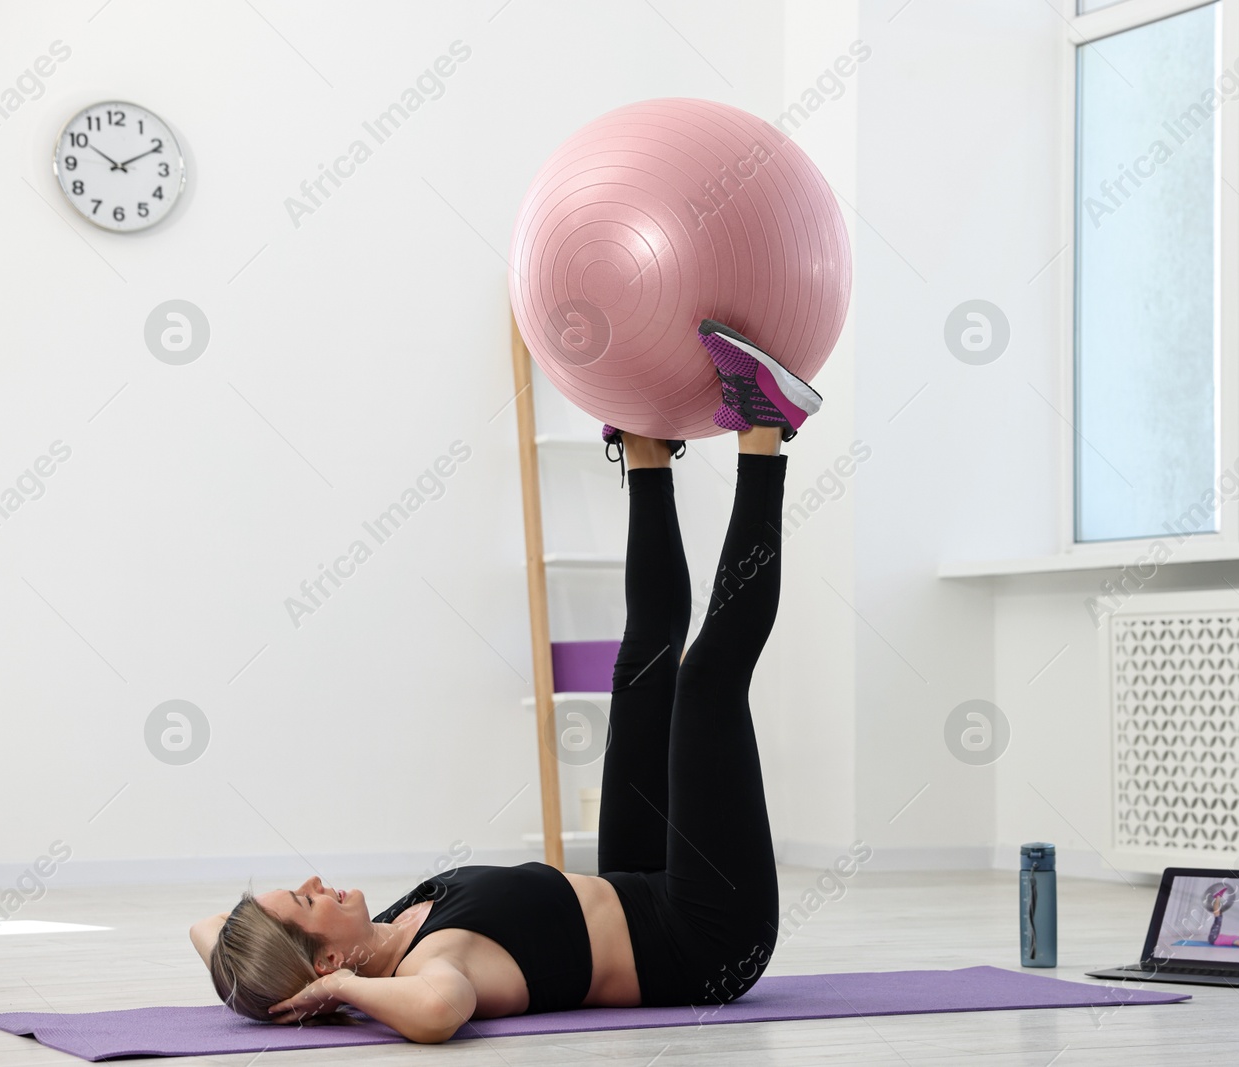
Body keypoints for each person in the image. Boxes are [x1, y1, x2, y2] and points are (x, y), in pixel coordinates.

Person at [188, 319, 824, 1042]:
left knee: (643, 662)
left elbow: (205, 928)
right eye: (303, 904)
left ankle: (647, 453)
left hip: (637, 878)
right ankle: (767, 425)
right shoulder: (438, 962)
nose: (311, 882)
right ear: (331, 957)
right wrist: (341, 989)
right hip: (705, 935)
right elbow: (438, 1015)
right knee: (706, 681)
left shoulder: (392, 928)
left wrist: (274, 970)